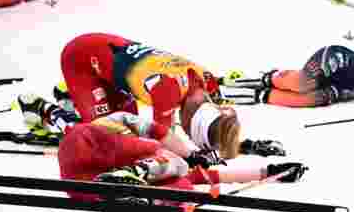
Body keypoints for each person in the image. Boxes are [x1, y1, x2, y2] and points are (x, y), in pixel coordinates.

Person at [17, 33, 242, 162]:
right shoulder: (167, 91)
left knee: (127, 132)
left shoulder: (207, 81)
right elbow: (159, 145)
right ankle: (40, 107)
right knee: (103, 140)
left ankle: (69, 94)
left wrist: (228, 143)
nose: (182, 128)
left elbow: (225, 119)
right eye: (186, 129)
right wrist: (192, 156)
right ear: (191, 120)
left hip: (111, 61)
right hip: (81, 59)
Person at [58, 112, 305, 205]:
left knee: (185, 185)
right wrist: (189, 155)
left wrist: (270, 171)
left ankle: (138, 197)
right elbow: (154, 130)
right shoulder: (165, 153)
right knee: (174, 163)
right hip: (88, 144)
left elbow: (214, 176)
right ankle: (133, 181)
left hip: (83, 184)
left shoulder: (170, 165)